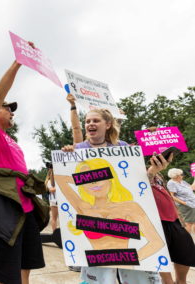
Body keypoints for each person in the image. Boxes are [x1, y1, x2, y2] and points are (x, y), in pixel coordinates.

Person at [0, 57, 49, 284]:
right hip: (0, 206)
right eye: (7, 108)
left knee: (25, 265)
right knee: (1, 274)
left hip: (24, 208)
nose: (12, 111)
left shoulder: (12, 142)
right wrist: (18, 63)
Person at [61, 108, 162, 284]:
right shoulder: (78, 151)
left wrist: (153, 170)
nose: (90, 124)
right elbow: (62, 179)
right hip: (96, 269)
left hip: (132, 266)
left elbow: (137, 179)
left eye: (96, 121)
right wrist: (75, 168)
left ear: (108, 124)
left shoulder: (122, 147)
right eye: (87, 121)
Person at [147, 154, 195, 284]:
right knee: (161, 253)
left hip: (173, 220)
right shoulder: (141, 174)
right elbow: (147, 179)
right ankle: (167, 281)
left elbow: (167, 195)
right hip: (156, 222)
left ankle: (181, 281)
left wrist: (180, 217)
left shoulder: (159, 175)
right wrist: (152, 170)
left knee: (186, 249)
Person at [167, 168, 195, 234]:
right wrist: (185, 203)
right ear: (176, 176)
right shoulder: (171, 183)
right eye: (181, 174)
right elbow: (172, 196)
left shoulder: (182, 181)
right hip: (186, 206)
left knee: (193, 222)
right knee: (189, 223)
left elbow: (192, 188)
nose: (183, 175)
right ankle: (186, 240)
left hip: (192, 203)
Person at [45, 168, 58, 233]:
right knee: (54, 218)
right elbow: (51, 190)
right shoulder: (49, 181)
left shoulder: (58, 180)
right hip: (54, 201)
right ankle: (55, 232)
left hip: (59, 201)